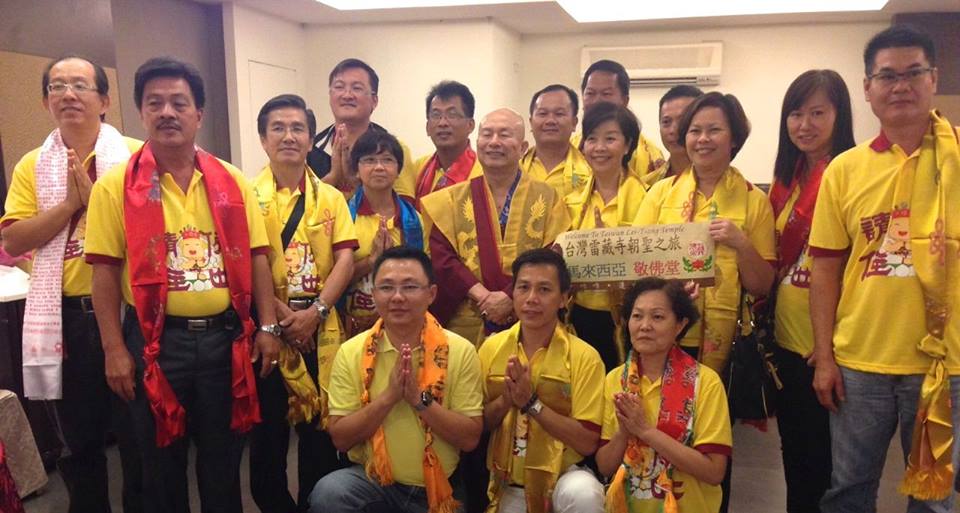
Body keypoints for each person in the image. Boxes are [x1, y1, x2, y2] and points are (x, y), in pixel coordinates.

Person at [84, 57, 281, 513]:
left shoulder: (231, 180)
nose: (167, 112)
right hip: (154, 344)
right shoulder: (116, 187)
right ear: (141, 112)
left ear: (199, 113)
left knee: (223, 461)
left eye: (179, 102)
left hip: (224, 340)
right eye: (155, 103)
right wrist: (114, 349)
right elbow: (104, 273)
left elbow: (258, 257)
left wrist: (268, 327)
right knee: (158, 464)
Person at [809, 25, 959, 513]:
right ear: (868, 89)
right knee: (849, 490)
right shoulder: (844, 169)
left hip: (946, 364)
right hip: (860, 363)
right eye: (887, 76)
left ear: (933, 79)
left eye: (914, 73)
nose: (901, 86)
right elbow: (825, 271)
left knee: (934, 499)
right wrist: (825, 358)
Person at [0, 54, 143, 513]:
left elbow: (155, 233)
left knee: (139, 437)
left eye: (80, 85)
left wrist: (97, 202)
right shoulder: (32, 165)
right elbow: (14, 238)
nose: (68, 94)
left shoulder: (137, 157)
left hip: (129, 314)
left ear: (104, 100)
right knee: (80, 445)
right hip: (67, 319)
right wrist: (69, 206)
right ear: (46, 102)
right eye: (57, 86)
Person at [307, 246, 484, 513]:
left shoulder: (459, 350)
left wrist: (419, 400)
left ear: (431, 294)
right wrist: (388, 397)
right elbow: (341, 438)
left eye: (410, 287)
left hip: (437, 489)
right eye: (386, 287)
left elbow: (469, 438)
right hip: (374, 482)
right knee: (330, 492)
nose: (397, 297)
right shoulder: (352, 351)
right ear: (374, 294)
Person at [249, 94, 358, 512]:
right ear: (263, 139)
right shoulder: (245, 195)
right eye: (278, 128)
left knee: (319, 433)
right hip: (268, 329)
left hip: (320, 327)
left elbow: (346, 258)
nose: (289, 136)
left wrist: (316, 313)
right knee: (268, 435)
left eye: (298, 128)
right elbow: (247, 261)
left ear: (312, 139)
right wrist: (280, 316)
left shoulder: (330, 198)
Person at [634, 92, 776, 374]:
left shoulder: (754, 200)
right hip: (663, 334)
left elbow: (762, 286)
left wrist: (741, 244)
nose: (703, 139)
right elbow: (635, 265)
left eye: (714, 130)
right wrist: (669, 285)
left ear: (734, 138)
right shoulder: (660, 193)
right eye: (694, 131)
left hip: (729, 340)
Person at [768, 70, 855, 513]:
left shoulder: (852, 174)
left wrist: (828, 348)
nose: (805, 125)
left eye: (818, 113)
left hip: (832, 347)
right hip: (787, 340)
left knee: (834, 468)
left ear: (840, 116)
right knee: (797, 456)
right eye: (795, 114)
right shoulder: (786, 180)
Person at [421, 108, 570, 345]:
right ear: (477, 142)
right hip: (467, 319)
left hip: (530, 314)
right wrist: (483, 296)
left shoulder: (548, 197)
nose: (494, 142)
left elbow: (554, 252)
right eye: (487, 134)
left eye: (504, 135)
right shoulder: (450, 200)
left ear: (523, 148)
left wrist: (511, 296)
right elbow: (442, 258)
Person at [480, 248, 605, 513]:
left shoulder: (585, 357)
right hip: (508, 482)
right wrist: (505, 400)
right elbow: (478, 427)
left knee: (584, 494)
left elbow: (586, 442)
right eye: (523, 287)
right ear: (513, 293)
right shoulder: (491, 348)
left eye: (544, 289)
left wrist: (532, 404)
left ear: (564, 298)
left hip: (563, 478)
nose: (531, 299)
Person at [596, 277, 731, 513]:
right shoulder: (616, 380)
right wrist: (623, 432)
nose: (645, 326)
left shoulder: (706, 382)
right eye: (637, 316)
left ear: (680, 325)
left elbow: (714, 472)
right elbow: (605, 467)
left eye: (657, 317)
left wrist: (645, 431)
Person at [565, 102, 647, 371]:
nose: (599, 147)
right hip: (579, 313)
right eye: (592, 139)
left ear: (627, 145)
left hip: (630, 317)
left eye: (610, 139)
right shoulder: (572, 200)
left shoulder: (647, 198)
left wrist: (608, 248)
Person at [345, 129, 426, 338]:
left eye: (387, 160)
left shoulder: (415, 220)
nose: (379, 167)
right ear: (356, 170)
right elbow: (330, 278)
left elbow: (423, 279)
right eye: (369, 160)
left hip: (403, 327)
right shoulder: (343, 216)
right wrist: (371, 262)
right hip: (351, 327)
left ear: (398, 170)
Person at [307, 58, 417, 199]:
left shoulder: (395, 149)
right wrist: (333, 176)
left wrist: (354, 181)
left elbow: (403, 208)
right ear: (330, 96)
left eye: (357, 88)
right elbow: (301, 205)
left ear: (374, 101)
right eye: (339, 87)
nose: (347, 95)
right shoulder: (310, 149)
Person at [575, 60, 664, 180]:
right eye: (590, 93)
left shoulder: (649, 156)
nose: (597, 101)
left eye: (606, 94)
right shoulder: (568, 147)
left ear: (624, 101)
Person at [413, 81, 482, 203]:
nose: (442, 123)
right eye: (436, 115)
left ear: (470, 125)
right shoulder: (417, 169)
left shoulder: (483, 171)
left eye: (452, 115)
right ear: (427, 127)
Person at [520, 84, 592, 197]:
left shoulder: (591, 171)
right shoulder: (513, 169)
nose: (550, 121)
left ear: (574, 123)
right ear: (531, 122)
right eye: (543, 114)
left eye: (559, 114)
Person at [642, 85, 704, 188]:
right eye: (666, 122)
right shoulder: (646, 186)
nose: (673, 130)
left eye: (683, 120)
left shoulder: (724, 184)